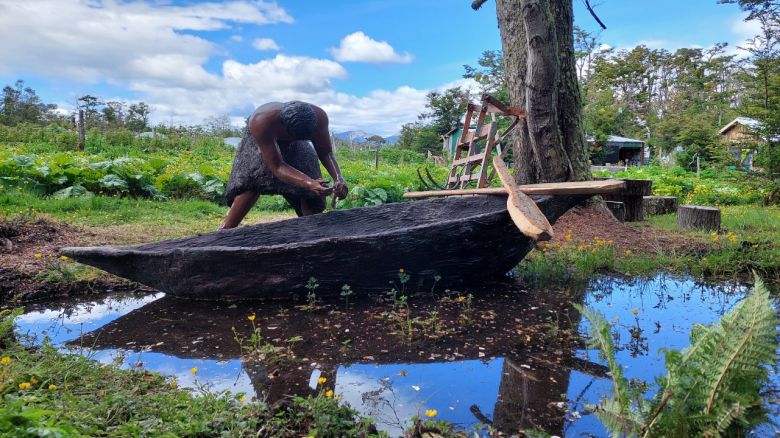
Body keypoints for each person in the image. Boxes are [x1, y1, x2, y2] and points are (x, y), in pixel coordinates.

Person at [221, 101, 348, 229]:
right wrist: (309, 183)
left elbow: (325, 152)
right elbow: (277, 166)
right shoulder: (261, 121)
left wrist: (338, 178)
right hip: (262, 142)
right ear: (283, 127)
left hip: (297, 144)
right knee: (252, 180)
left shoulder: (319, 118)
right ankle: (224, 232)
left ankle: (313, 231)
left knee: (312, 194)